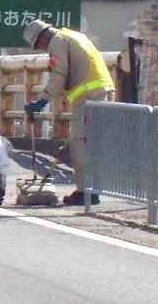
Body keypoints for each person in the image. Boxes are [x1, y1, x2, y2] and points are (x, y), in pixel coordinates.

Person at [23, 19, 115, 205]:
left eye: (38, 46)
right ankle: (92, 190)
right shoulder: (72, 35)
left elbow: (59, 75)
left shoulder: (57, 42)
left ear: (41, 38)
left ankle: (85, 192)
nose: (43, 50)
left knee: (81, 144)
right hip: (101, 93)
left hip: (88, 98)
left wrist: (42, 100)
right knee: (94, 145)